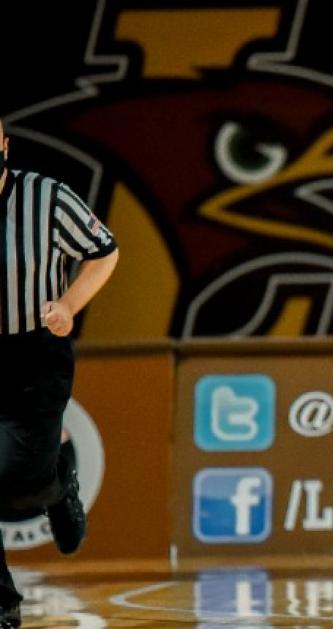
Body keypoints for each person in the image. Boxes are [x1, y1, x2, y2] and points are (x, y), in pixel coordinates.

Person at [0, 118, 119, 629]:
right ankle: (1, 601)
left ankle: (53, 484)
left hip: (33, 351)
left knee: (18, 480)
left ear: (3, 146)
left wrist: (69, 306)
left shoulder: (45, 197)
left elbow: (104, 252)